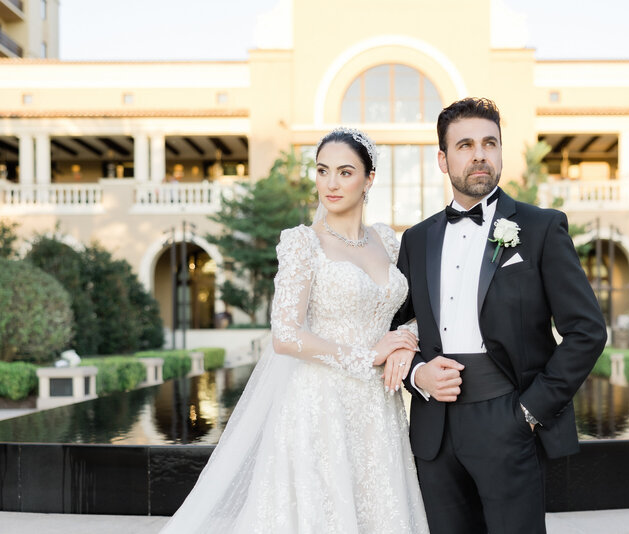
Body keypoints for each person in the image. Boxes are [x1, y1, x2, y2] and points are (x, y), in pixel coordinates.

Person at [161, 127, 429, 534]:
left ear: (369, 178)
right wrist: (368, 355)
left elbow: (414, 311)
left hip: (377, 405)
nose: (331, 184)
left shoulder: (388, 243)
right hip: (319, 403)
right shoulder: (303, 244)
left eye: (345, 172)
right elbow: (285, 335)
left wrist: (405, 341)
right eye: (323, 171)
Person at [392, 97, 607, 534]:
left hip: (509, 419)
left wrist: (530, 410)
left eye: (490, 143)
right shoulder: (416, 240)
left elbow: (587, 331)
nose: (479, 154)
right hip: (435, 428)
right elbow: (392, 327)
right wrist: (417, 376)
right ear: (442, 158)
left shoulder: (542, 227)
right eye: (465, 144)